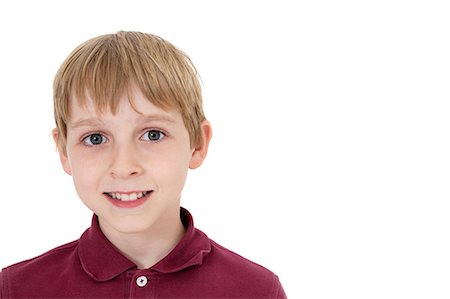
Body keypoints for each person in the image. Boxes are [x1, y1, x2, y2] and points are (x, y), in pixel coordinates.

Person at [0, 31, 286, 298]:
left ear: (197, 144)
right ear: (64, 152)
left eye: (153, 134)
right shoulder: (16, 289)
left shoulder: (256, 290)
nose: (124, 166)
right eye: (96, 138)